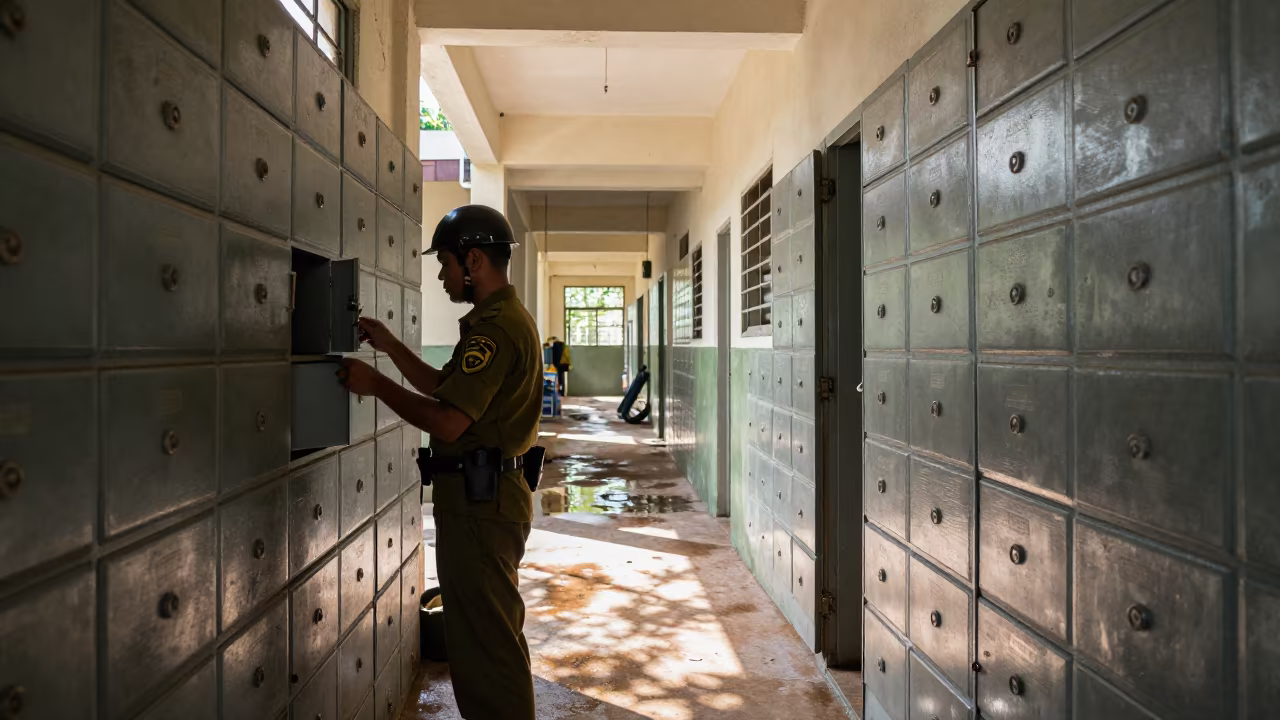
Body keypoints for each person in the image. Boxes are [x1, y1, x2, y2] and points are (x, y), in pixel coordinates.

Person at [337, 205, 542, 720]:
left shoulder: (495, 331)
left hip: (482, 510)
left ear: (473, 260)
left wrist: (376, 385)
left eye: (445, 263)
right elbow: (442, 387)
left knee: (487, 649)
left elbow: (449, 421)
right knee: (481, 642)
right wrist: (386, 345)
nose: (441, 274)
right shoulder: (493, 323)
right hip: (482, 504)